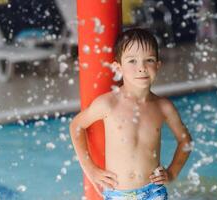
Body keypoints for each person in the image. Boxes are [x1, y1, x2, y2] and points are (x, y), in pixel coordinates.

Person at [69, 28, 193, 200]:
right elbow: (76, 126)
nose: (141, 68)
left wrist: (172, 173)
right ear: (118, 67)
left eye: (148, 60)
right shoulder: (108, 104)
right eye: (132, 61)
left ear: (157, 65)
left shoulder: (163, 107)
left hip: (154, 191)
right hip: (118, 193)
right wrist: (91, 170)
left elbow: (185, 140)